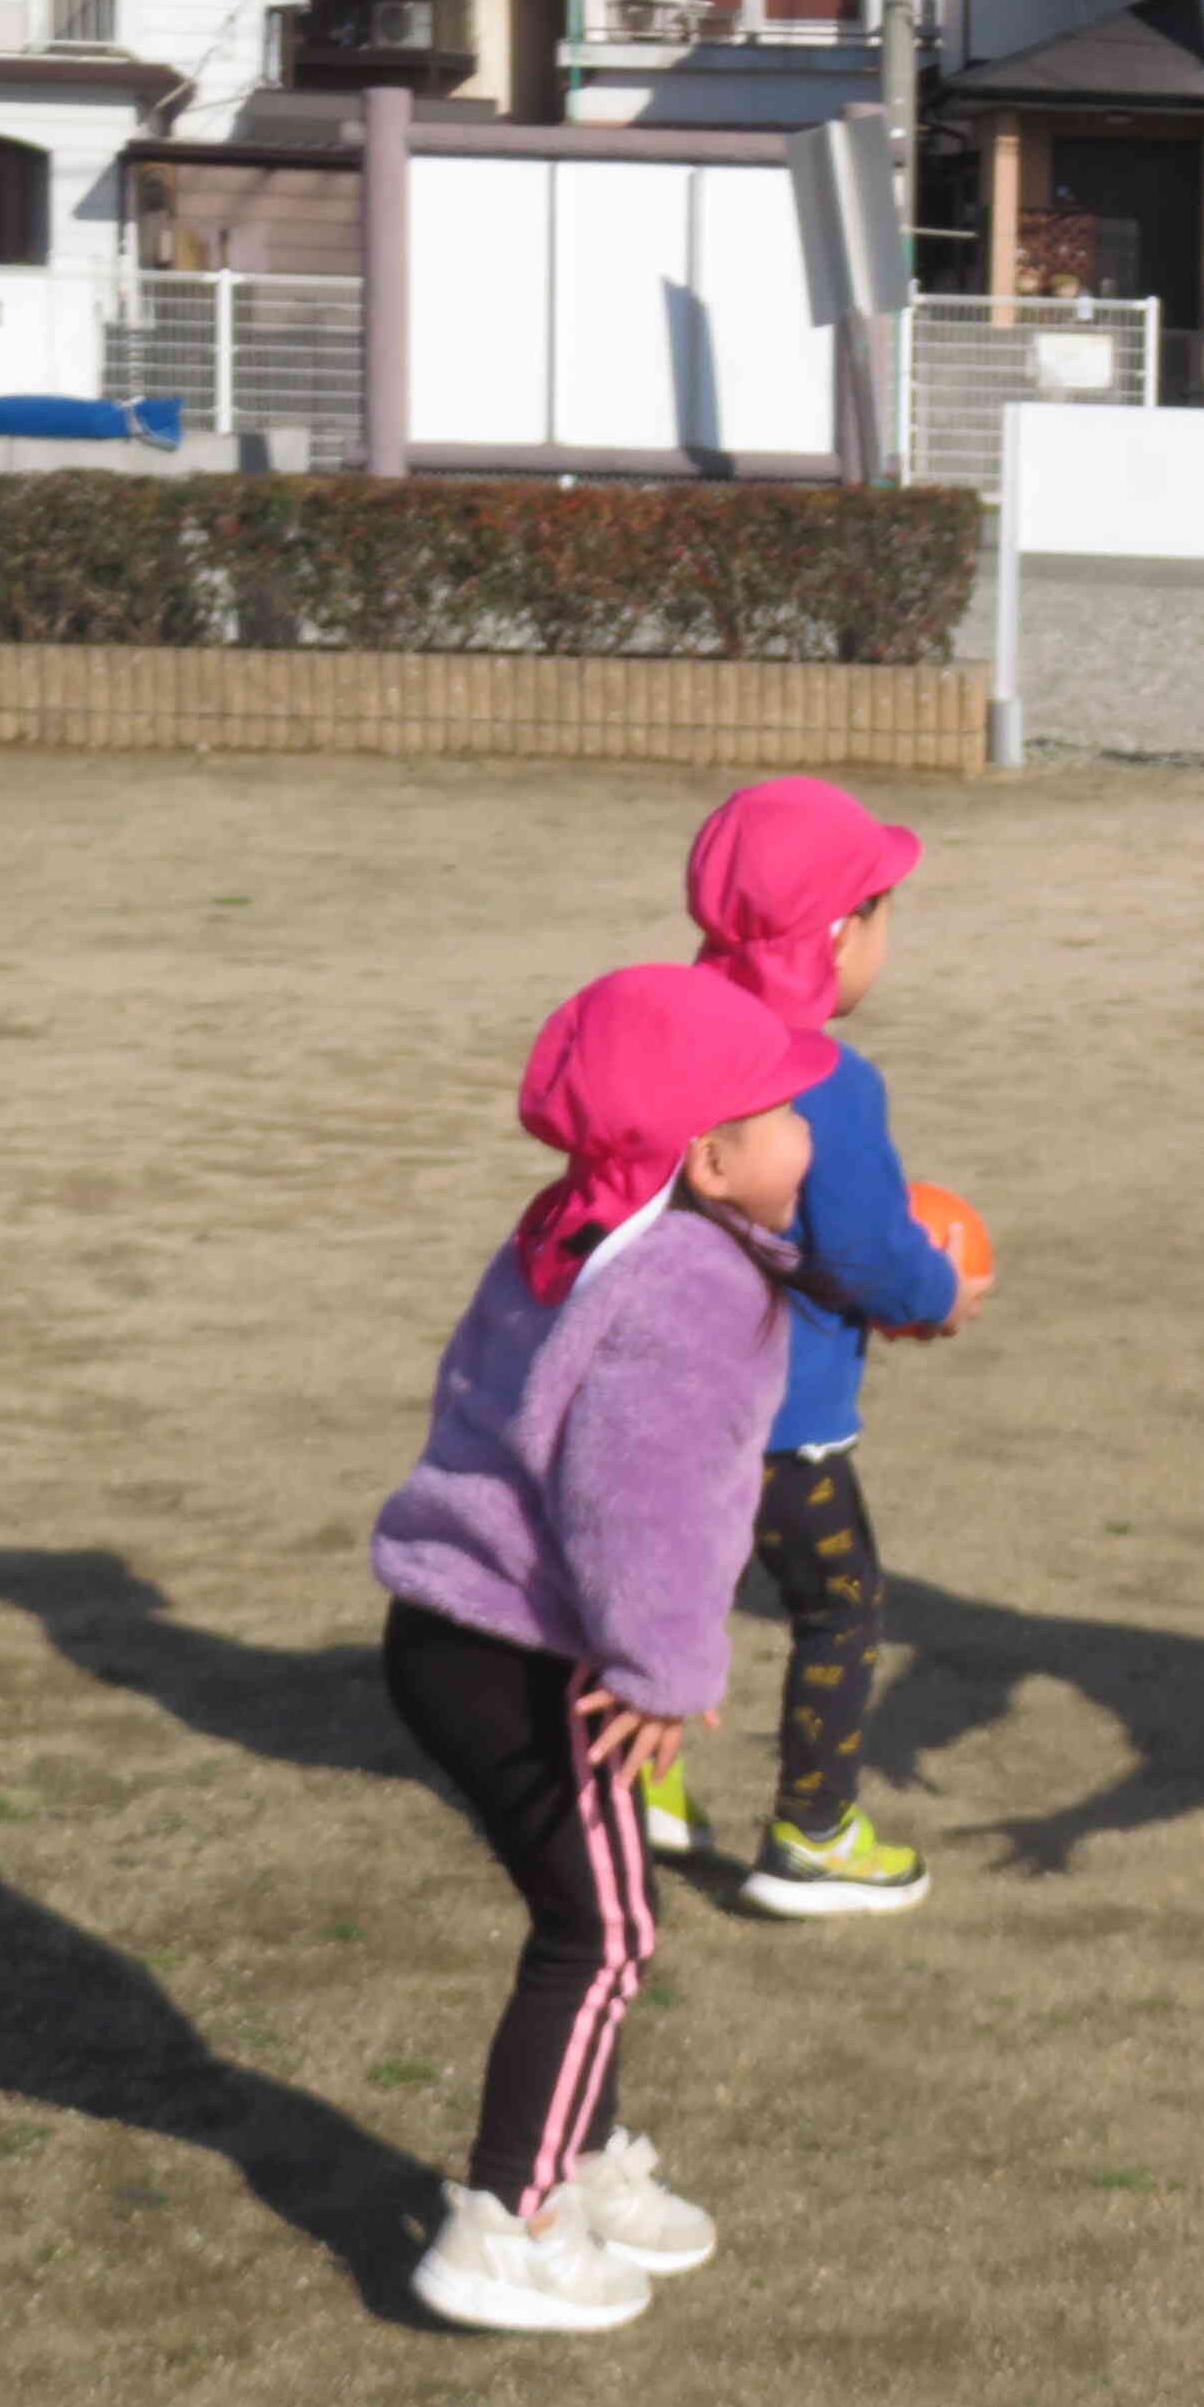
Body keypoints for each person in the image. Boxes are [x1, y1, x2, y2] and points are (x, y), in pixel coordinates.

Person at [373, 961, 837, 2329]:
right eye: (784, 1111)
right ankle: (504, 2220)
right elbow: (642, 1501)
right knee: (608, 1926)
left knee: (595, 1909)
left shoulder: (579, 1228)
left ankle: (578, 2163)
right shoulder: (690, 1280)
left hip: (450, 1628)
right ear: (710, 1159)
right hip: (529, 1648)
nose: (812, 1131)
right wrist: (663, 1669)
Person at [638, 776, 987, 1919]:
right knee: (840, 1600)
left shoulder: (663, 1034)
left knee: (673, 1583)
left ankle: (642, 1781)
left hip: (650, 1388)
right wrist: (935, 1293)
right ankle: (813, 1836)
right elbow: (865, 1252)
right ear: (839, 934)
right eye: (884, 917)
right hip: (784, 1421)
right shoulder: (826, 1084)